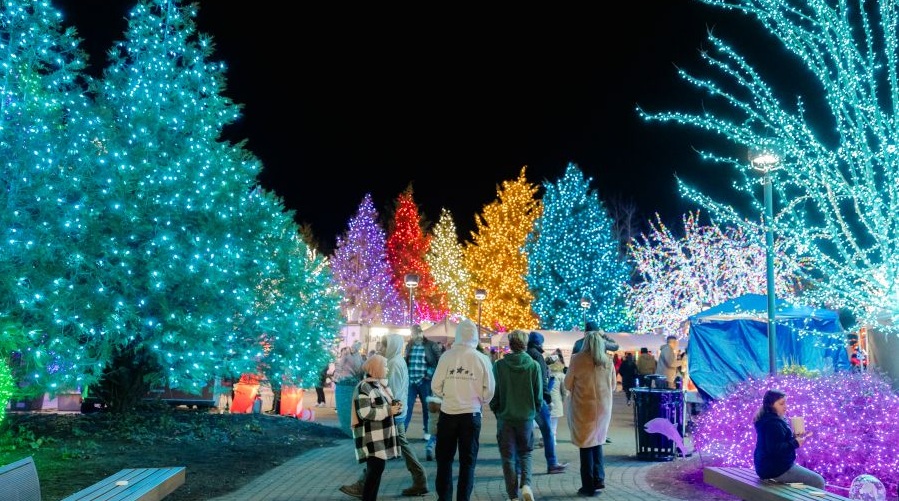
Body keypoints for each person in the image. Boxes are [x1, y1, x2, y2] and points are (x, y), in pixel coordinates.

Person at [340, 334, 429, 498]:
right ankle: (419, 479)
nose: (380, 348)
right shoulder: (396, 360)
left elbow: (389, 391)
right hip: (395, 411)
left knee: (379, 452)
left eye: (384, 345)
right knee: (390, 450)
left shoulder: (393, 364)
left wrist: (389, 410)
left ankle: (365, 486)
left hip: (393, 413)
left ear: (392, 346)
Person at [431, 318, 496, 501]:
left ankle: (444, 497)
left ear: (458, 335)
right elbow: (490, 389)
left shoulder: (447, 357)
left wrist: (447, 395)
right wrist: (480, 400)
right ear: (475, 336)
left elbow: (435, 386)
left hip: (448, 413)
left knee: (444, 460)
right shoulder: (482, 359)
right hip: (471, 414)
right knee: (468, 462)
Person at [491, 329, 541, 501]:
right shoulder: (533, 366)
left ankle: (512, 496)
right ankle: (526, 485)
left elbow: (494, 393)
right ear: (525, 344)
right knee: (525, 453)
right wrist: (533, 411)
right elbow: (538, 396)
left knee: (508, 458)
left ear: (510, 344)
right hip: (526, 417)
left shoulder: (499, 366)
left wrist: (497, 410)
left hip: (505, 417)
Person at [565, 331, 616, 497]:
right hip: (603, 408)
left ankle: (588, 485)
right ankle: (599, 478)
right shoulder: (608, 360)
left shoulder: (577, 359)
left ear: (585, 342)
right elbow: (613, 385)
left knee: (585, 444)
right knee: (598, 441)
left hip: (584, 407)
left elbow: (567, 384)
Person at [347, 354, 403, 501]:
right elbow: (365, 412)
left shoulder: (381, 386)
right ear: (376, 368)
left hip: (381, 436)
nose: (387, 369)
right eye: (384, 366)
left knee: (376, 471)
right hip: (371, 436)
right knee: (375, 470)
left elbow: (387, 407)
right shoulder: (364, 387)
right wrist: (389, 410)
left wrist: (396, 409)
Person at [753, 389, 825, 489]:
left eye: (785, 403)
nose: (785, 406)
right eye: (781, 404)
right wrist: (795, 443)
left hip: (766, 467)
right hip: (775, 469)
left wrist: (794, 438)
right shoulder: (773, 423)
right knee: (818, 481)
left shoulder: (769, 419)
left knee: (805, 483)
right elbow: (775, 449)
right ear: (771, 405)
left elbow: (777, 442)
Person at [526, 331, 568, 474]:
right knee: (548, 432)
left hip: (525, 399)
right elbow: (543, 380)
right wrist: (548, 399)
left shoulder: (525, 354)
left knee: (525, 431)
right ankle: (552, 463)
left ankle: (519, 466)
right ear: (540, 343)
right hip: (538, 399)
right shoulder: (538, 356)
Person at [404, 324, 443, 440]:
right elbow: (407, 360)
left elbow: (439, 361)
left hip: (424, 381)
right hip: (411, 380)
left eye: (417, 333)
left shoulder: (431, 345)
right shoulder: (409, 345)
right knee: (407, 406)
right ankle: (403, 431)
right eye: (413, 333)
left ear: (421, 333)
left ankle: (427, 431)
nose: (415, 335)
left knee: (427, 408)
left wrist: (429, 374)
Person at [546, 353, 568, 446]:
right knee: (554, 422)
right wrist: (563, 399)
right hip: (556, 401)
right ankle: (553, 439)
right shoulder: (561, 376)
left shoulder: (546, 374)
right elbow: (564, 391)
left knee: (546, 421)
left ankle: (544, 438)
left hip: (545, 401)